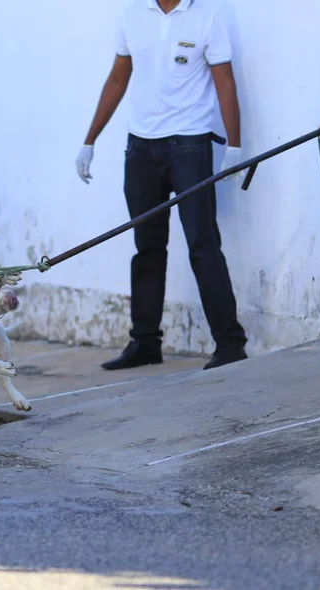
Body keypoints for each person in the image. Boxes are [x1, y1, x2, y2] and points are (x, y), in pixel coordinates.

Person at [75, 0, 249, 371]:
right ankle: (145, 342)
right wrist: (90, 139)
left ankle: (230, 343)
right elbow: (119, 77)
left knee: (203, 244)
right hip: (141, 147)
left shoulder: (208, 15)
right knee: (147, 246)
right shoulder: (132, 13)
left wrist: (235, 145)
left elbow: (225, 80)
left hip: (190, 145)